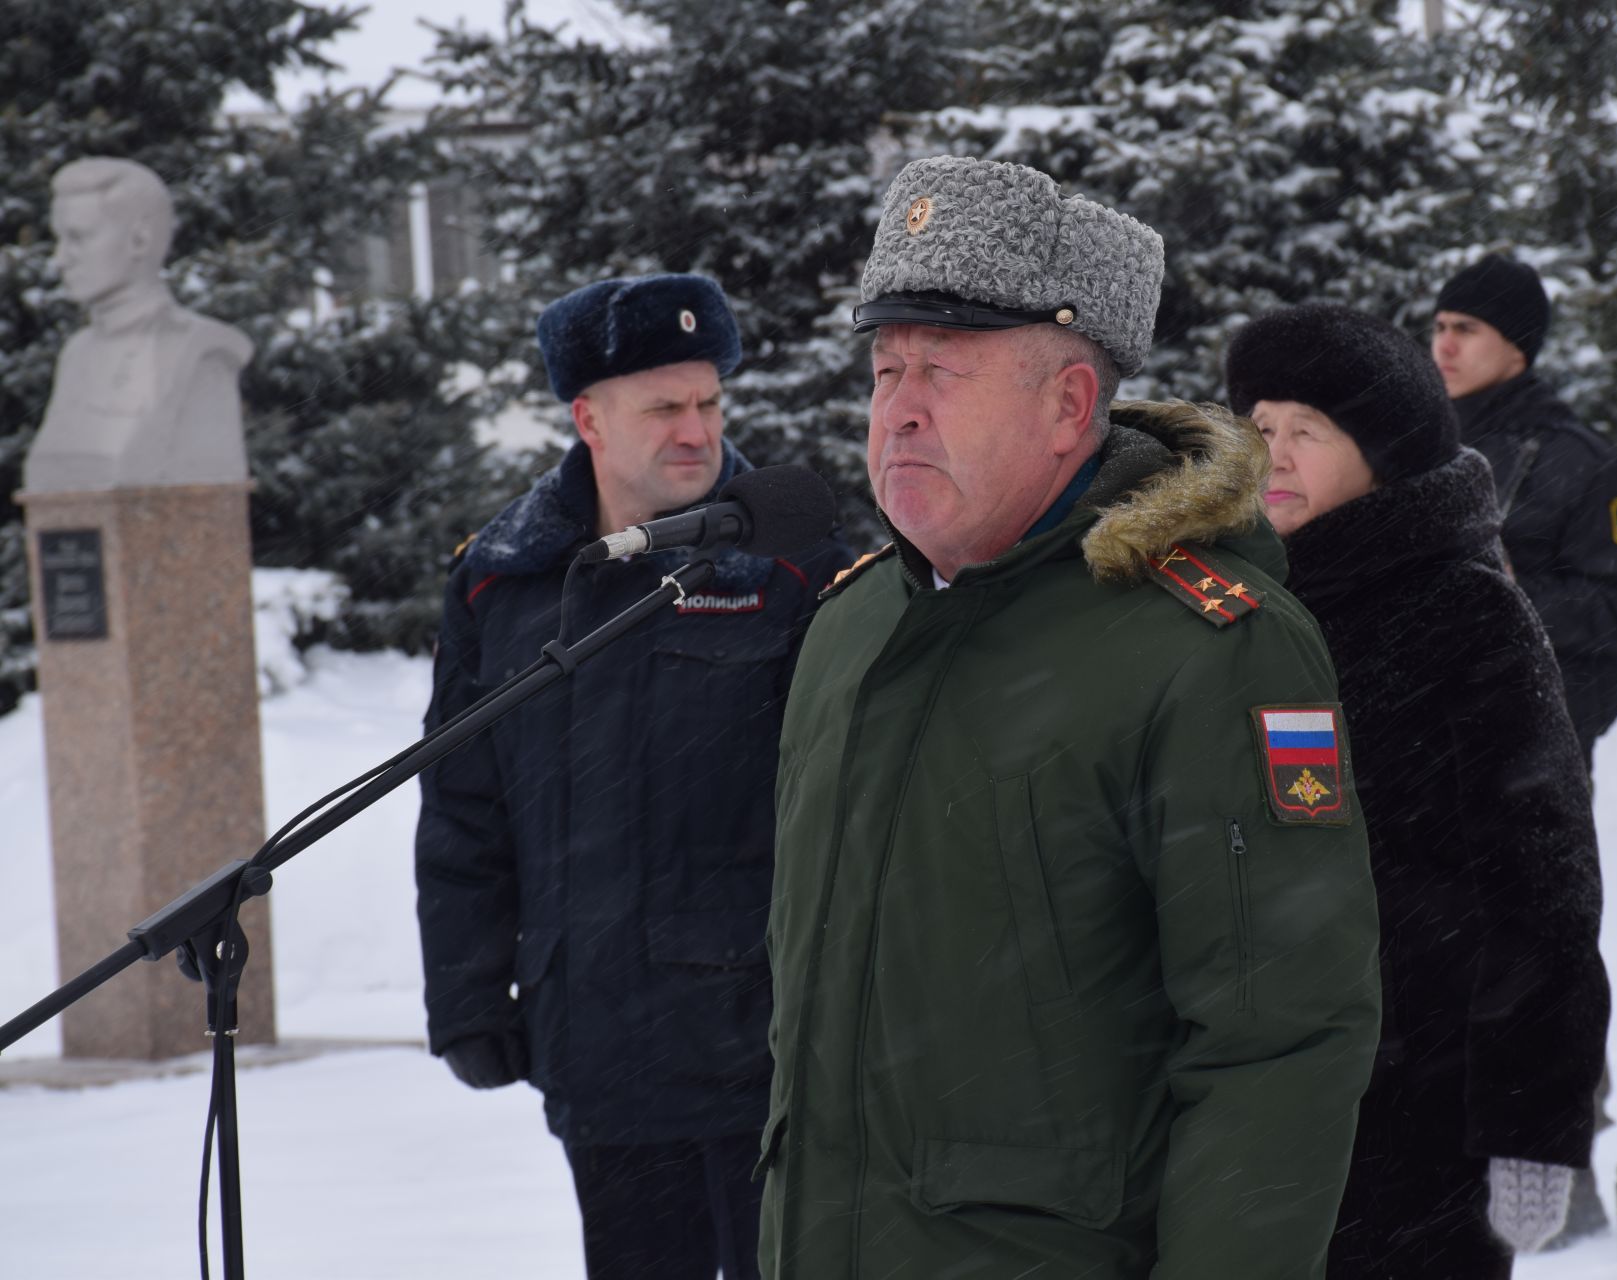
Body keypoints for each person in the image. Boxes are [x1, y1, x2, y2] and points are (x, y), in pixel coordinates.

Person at [757, 155, 1382, 1279]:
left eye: (942, 371)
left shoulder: (1207, 647)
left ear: (1069, 405)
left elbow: (1276, 1041)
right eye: (886, 368)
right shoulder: (848, 629)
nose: (896, 406)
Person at [414, 273, 852, 1280]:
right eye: (664, 407)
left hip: (766, 1058)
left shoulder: (792, 564)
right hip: (599, 1048)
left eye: (709, 403)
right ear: (589, 418)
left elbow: (850, 810)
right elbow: (465, 803)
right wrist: (470, 992)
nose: (695, 431)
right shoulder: (505, 576)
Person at [1224, 304, 1610, 1277]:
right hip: (1260, 1106)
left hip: (1420, 1110)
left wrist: (1532, 1117)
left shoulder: (1464, 608)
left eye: (1307, 431)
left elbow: (1544, 881)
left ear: (1382, 452)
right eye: (1260, 428)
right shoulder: (1241, 603)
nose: (1274, 454)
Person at [1430, 254, 1617, 770]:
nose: (1444, 345)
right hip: (1423, 739)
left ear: (1517, 345)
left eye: (1467, 329)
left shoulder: (1585, 464)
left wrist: (1512, 599)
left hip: (1534, 746)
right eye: (1440, 326)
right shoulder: (1416, 451)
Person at [26, 156, 253, 494]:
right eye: (58, 239)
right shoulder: (76, 353)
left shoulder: (203, 350)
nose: (60, 258)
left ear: (140, 240)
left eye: (78, 238)